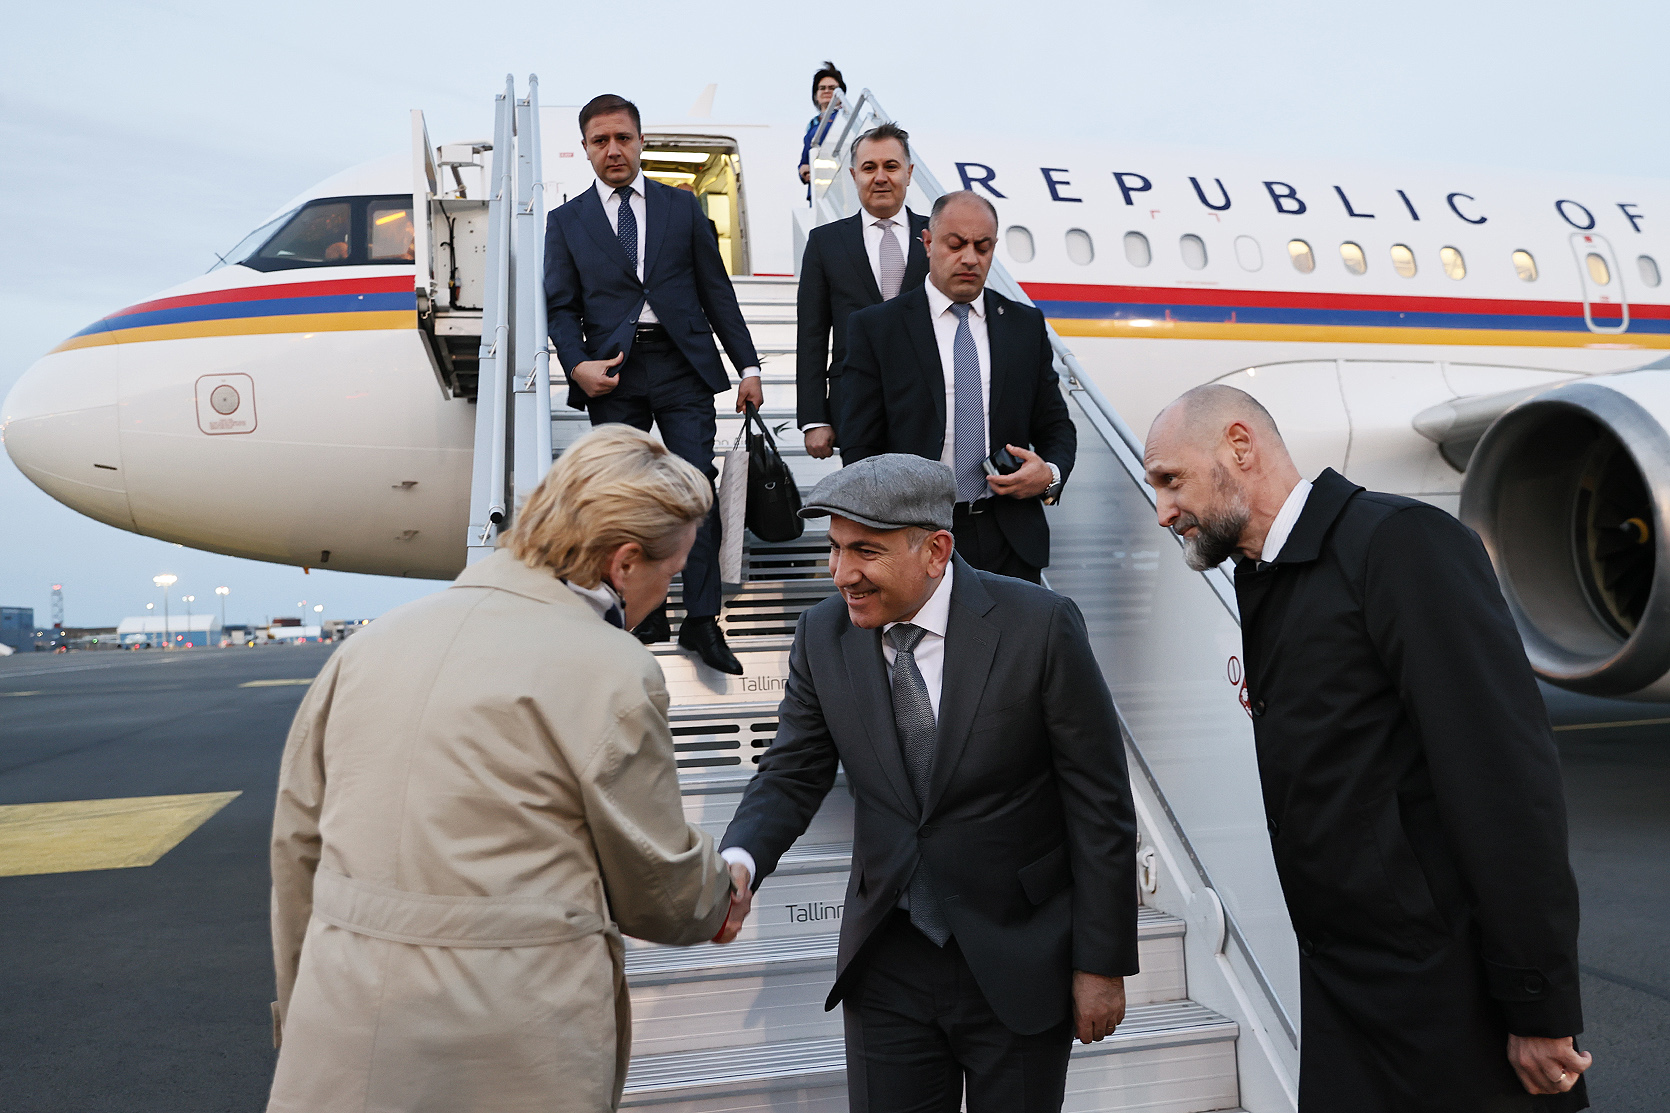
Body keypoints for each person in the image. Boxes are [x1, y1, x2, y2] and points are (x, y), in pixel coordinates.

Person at [266, 425, 746, 1113]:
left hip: (340, 1028)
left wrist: (302, 1012)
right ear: (624, 563)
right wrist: (720, 893)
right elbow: (657, 887)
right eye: (671, 575)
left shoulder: (371, 645)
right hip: (512, 1044)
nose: (665, 595)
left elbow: (297, 851)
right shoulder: (612, 669)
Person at [1142, 384, 1592, 1112]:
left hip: (1447, 1004)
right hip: (1345, 998)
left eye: (1170, 480)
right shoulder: (1266, 577)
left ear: (1240, 446)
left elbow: (1505, 786)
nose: (1163, 510)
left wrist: (1537, 1004)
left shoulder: (1400, 544)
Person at [712, 453, 1139, 1113]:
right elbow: (792, 771)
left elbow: (1099, 803)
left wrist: (1101, 961)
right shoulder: (822, 635)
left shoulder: (1039, 625)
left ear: (936, 550)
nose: (842, 573)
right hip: (887, 962)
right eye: (834, 548)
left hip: (1019, 957)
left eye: (865, 551)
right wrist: (739, 860)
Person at [544, 94, 763, 675]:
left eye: (623, 137)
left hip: (682, 364)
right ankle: (641, 614)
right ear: (585, 148)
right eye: (600, 141)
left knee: (696, 488)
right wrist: (576, 365)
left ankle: (701, 620)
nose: (613, 149)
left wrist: (748, 367)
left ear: (641, 141)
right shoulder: (566, 222)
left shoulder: (681, 206)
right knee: (622, 499)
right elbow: (560, 307)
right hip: (611, 374)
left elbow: (716, 291)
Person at [840, 191, 1076, 583]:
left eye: (982, 247)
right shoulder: (878, 328)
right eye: (956, 245)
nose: (970, 258)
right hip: (913, 539)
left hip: (1010, 537)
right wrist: (880, 528)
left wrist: (1049, 474)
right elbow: (859, 443)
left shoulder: (1024, 326)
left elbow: (1055, 425)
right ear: (927, 242)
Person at [796, 122, 929, 461]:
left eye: (891, 166)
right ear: (854, 175)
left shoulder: (938, 237)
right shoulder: (825, 243)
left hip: (931, 408)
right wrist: (814, 418)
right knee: (864, 497)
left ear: (909, 173)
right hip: (855, 410)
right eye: (869, 168)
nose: (880, 177)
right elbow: (811, 336)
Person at [799, 62, 845, 196]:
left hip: (839, 184)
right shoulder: (813, 124)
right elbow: (805, 157)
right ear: (816, 95)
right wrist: (803, 171)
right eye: (822, 88)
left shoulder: (844, 118)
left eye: (832, 88)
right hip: (818, 188)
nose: (826, 91)